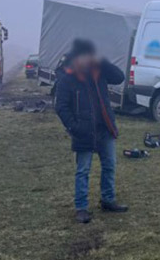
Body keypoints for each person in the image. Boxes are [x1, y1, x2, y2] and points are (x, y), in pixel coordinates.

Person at [54, 39, 129, 224]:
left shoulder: (99, 71)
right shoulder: (67, 78)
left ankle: (108, 200)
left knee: (110, 165)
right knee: (83, 170)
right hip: (83, 131)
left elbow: (119, 77)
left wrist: (103, 62)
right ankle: (81, 208)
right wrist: (74, 127)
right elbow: (61, 107)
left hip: (105, 128)